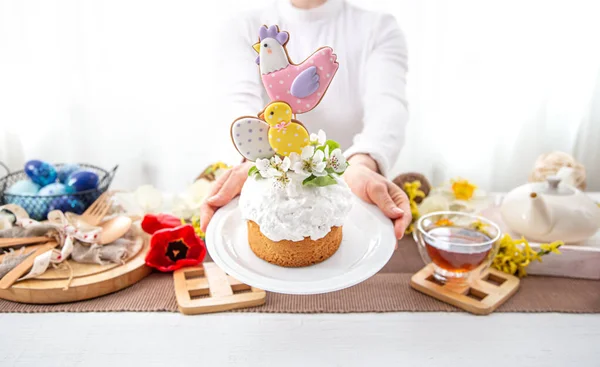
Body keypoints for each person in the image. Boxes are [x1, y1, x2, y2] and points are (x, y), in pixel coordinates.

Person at [200, 0, 411, 240]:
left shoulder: (379, 27)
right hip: (271, 181)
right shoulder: (242, 26)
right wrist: (256, 161)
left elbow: (388, 105)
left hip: (351, 199)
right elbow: (238, 101)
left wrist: (363, 163)